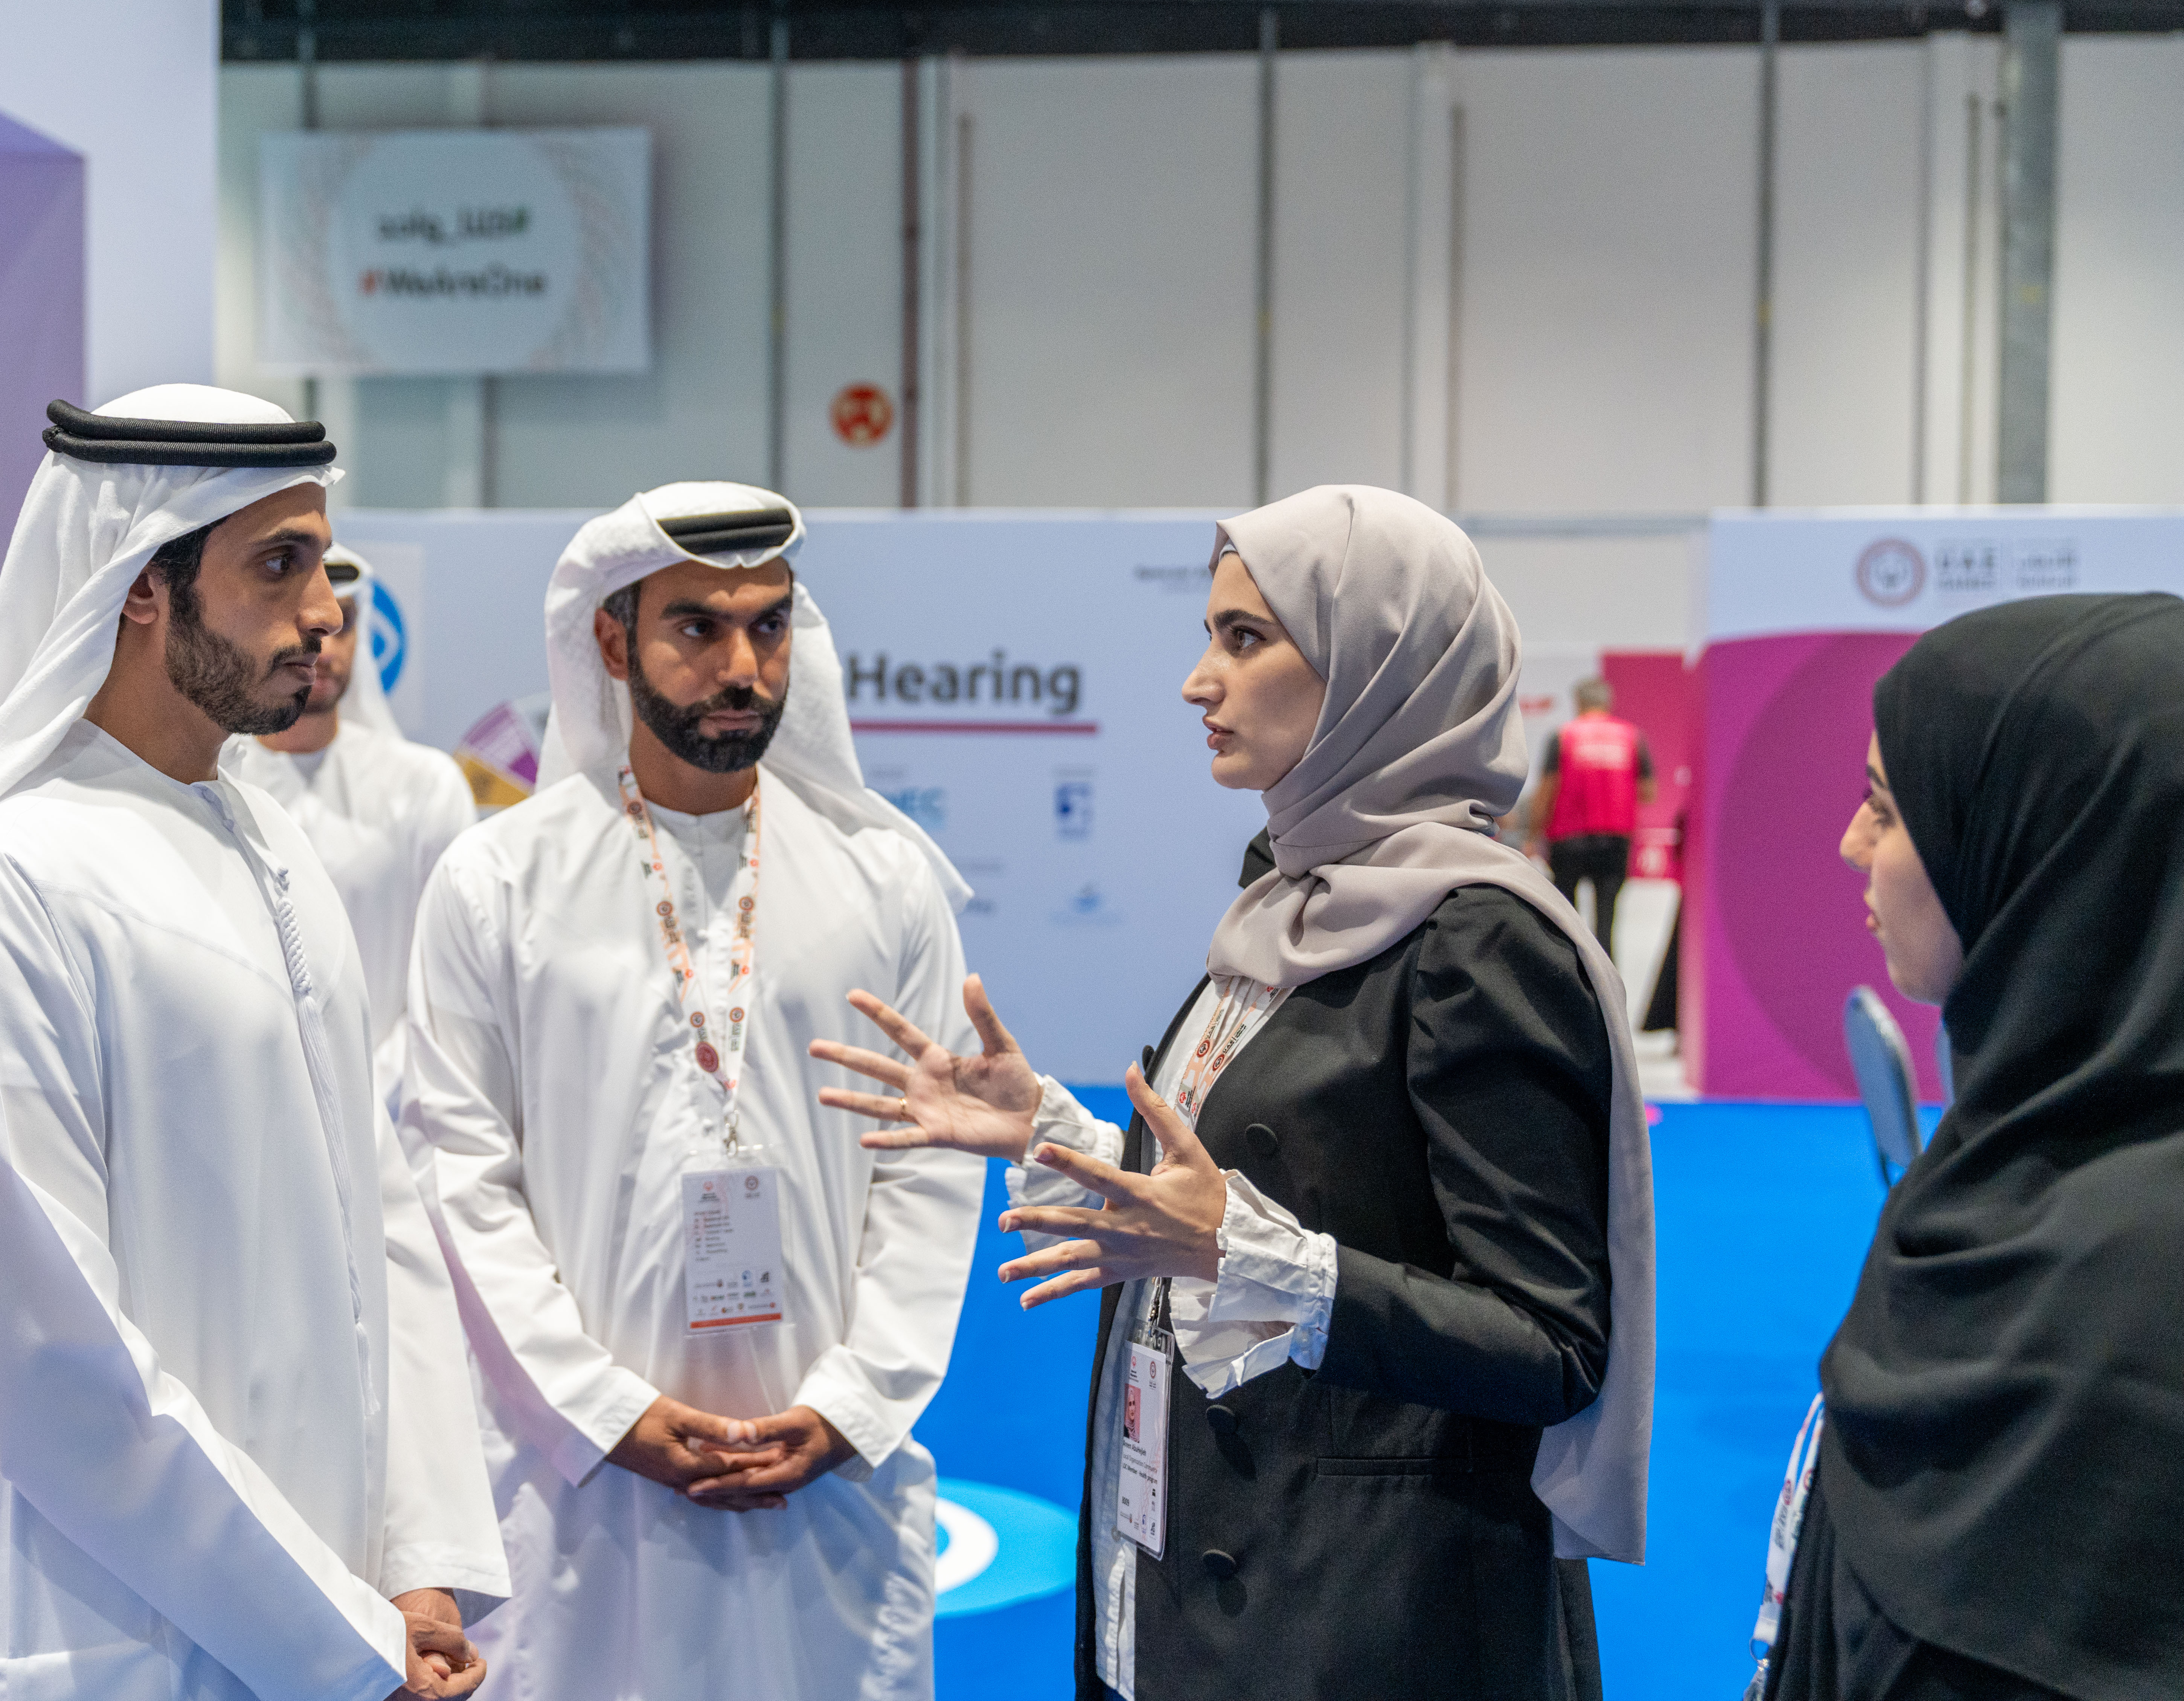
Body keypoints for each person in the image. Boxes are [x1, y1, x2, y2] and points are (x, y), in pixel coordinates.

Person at [813, 484, 1654, 1699]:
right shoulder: (1289, 895)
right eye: (1208, 634)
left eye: (1243, 639)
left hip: (1361, 1620)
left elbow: (1549, 1341)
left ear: (1376, 667)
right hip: (1196, 1565)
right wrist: (1050, 1130)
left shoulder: (1473, 938)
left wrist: (1266, 1266)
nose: (1195, 680)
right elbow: (1268, 1194)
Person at [0, 389, 506, 1701]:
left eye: (318, 559)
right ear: (143, 587)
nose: (326, 610)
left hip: (324, 1612)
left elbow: (385, 1226)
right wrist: (341, 1636)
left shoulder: (270, 844)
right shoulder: (2, 887)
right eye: (276, 565)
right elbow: (60, 1366)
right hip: (103, 1640)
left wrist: (412, 1561)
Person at [394, 481, 984, 1701]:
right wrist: (599, 1405)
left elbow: (927, 1166)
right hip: (575, 1489)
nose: (742, 667)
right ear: (611, 640)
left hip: (830, 1488)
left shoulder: (885, 884)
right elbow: (459, 1173)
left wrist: (850, 1404)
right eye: (697, 628)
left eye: (768, 627)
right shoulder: (496, 881)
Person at [1760, 593, 2184, 1701]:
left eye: (1885, 807)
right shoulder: (2009, 1154)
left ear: (2052, 847)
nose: (1851, 843)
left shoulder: (2132, 1291)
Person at [227, 544, 474, 1038]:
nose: (328, 646)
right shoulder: (211, 782)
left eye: (348, 621)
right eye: (308, 620)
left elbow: (451, 981)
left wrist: (377, 1098)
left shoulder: (424, 786)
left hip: (393, 1100)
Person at [1525, 676, 1655, 959]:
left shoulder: (1562, 736)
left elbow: (1546, 791)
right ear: (1608, 703)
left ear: (1579, 702)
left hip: (1568, 839)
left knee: (1567, 920)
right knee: (1607, 918)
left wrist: (1533, 834)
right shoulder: (1633, 737)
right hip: (1615, 837)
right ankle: (1608, 985)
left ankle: (1572, 978)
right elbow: (1648, 792)